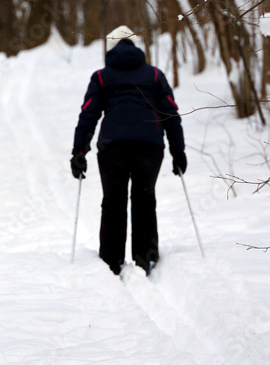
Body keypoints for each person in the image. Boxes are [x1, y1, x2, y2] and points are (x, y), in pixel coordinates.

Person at [70, 26, 186, 276]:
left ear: (110, 48)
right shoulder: (155, 75)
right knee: (144, 199)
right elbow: (171, 115)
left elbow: (88, 114)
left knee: (113, 200)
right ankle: (145, 257)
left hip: (113, 147)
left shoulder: (101, 77)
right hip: (149, 146)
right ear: (136, 46)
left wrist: (79, 151)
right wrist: (179, 152)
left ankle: (111, 260)